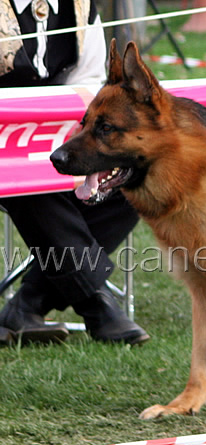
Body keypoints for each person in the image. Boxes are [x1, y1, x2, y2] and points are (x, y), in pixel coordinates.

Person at [0, 0, 149, 346]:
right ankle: (95, 303)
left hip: (55, 139)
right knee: (30, 186)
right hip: (5, 153)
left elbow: (89, 81)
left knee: (129, 182)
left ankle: (28, 305)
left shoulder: (80, 6)